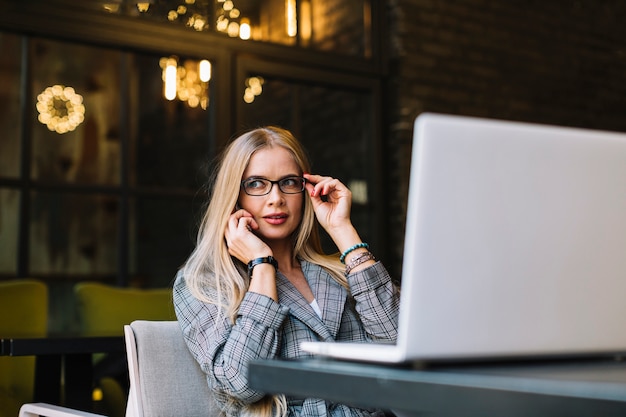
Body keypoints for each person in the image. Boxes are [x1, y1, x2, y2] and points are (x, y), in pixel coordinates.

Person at [173, 126, 400, 417]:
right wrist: (261, 265)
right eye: (256, 184)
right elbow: (241, 382)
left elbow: (399, 349)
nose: (276, 198)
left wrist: (342, 229)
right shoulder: (202, 282)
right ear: (235, 194)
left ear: (305, 190)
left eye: (289, 182)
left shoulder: (337, 274)